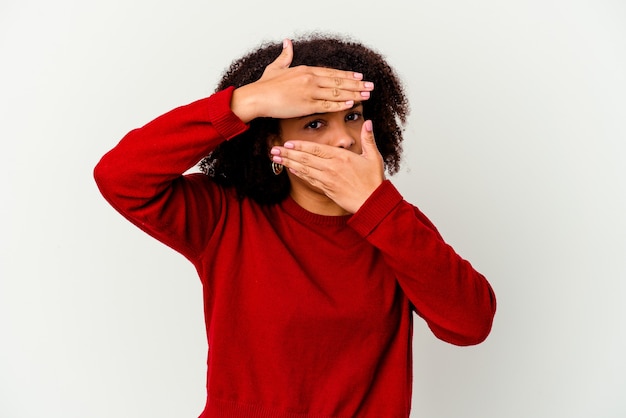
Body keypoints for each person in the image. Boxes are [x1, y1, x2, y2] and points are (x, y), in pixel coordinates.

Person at [94, 33, 496, 418]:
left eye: (352, 117)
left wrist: (377, 208)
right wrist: (245, 102)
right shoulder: (225, 215)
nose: (344, 139)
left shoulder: (392, 224)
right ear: (272, 141)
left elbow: (470, 324)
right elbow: (120, 176)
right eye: (315, 123)